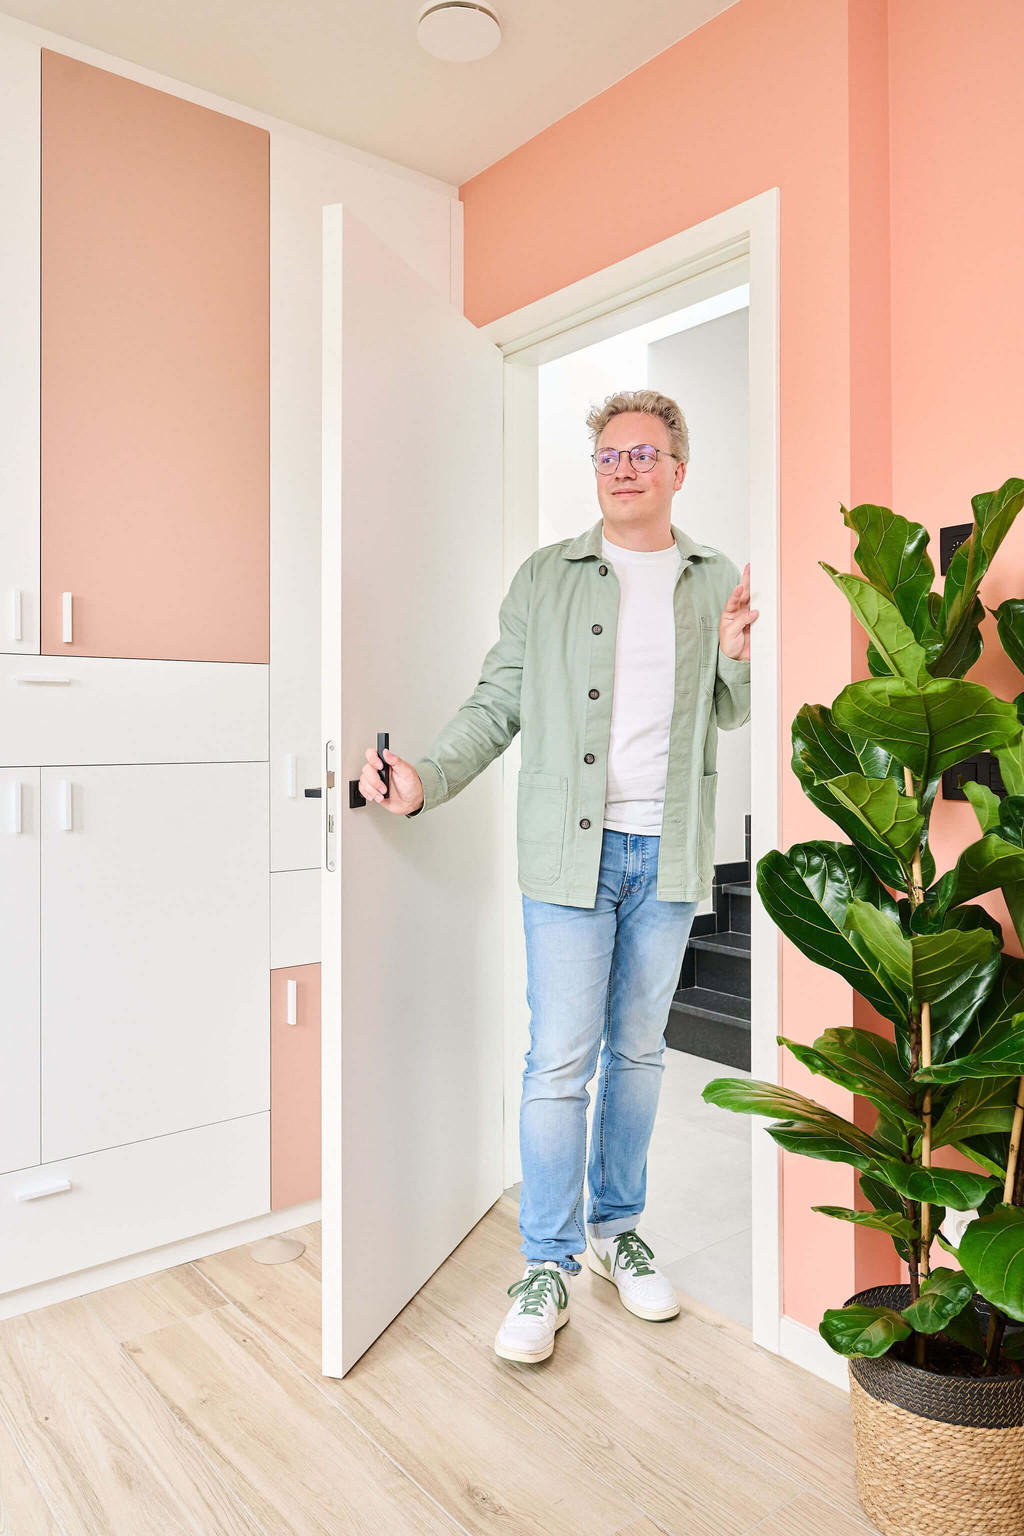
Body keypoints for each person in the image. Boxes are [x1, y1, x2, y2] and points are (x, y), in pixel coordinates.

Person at [357, 389, 757, 1364]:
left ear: (677, 469)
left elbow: (729, 714)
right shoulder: (547, 577)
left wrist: (741, 656)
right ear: (598, 472)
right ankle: (547, 1263)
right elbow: (497, 702)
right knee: (558, 1062)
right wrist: (426, 779)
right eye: (609, 455)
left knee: (639, 1053)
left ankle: (618, 1230)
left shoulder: (710, 580)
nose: (624, 468)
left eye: (643, 454)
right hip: (568, 857)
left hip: (665, 853)